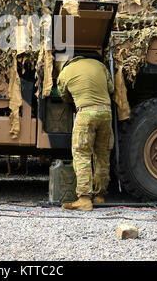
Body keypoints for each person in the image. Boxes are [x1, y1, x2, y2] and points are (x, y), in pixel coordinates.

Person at [57, 54, 114, 211]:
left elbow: (64, 96)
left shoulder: (66, 72)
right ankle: (100, 196)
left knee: (82, 154)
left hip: (86, 113)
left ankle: (84, 199)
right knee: (102, 154)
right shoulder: (100, 65)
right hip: (106, 112)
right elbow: (111, 88)